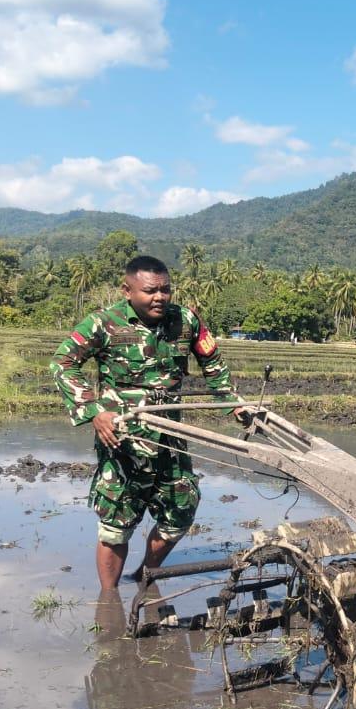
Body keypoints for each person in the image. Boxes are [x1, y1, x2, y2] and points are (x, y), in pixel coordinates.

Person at [51, 255, 238, 597]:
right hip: (123, 438)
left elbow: (212, 362)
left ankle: (143, 578)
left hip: (171, 436)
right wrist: (93, 410)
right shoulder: (102, 323)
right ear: (128, 290)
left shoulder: (185, 320)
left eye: (166, 290)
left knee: (181, 508)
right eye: (151, 291)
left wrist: (232, 403)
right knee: (117, 519)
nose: (160, 298)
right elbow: (63, 363)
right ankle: (108, 600)